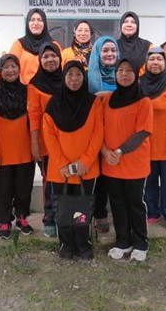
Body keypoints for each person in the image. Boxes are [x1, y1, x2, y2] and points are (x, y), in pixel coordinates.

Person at [43, 60, 103, 259]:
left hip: (87, 169)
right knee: (63, 210)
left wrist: (85, 161)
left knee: (83, 209)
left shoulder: (93, 102)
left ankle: (84, 244)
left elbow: (98, 133)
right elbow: (49, 136)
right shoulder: (53, 103)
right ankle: (66, 245)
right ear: (64, 77)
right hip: (60, 170)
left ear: (84, 77)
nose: (74, 79)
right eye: (70, 75)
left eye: (78, 75)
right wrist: (62, 163)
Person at [101, 58, 153, 262]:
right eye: (120, 70)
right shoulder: (107, 99)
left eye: (129, 70)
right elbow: (99, 129)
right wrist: (106, 152)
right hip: (110, 163)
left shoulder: (143, 100)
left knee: (135, 204)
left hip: (134, 163)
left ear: (136, 74)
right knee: (117, 204)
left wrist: (119, 151)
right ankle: (123, 241)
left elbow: (143, 131)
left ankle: (141, 243)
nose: (124, 74)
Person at [0, 54, 35, 240]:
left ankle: (22, 218)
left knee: (24, 188)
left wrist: (35, 147)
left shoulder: (28, 92)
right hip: (2, 154)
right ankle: (4, 221)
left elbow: (34, 121)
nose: (10, 70)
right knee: (3, 190)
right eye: (5, 67)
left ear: (19, 68)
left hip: (25, 152)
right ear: (0, 70)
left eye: (13, 66)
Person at [139, 47, 166, 234]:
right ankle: (152, 212)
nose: (155, 62)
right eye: (152, 59)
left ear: (165, 62)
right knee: (148, 182)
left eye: (159, 59)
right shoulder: (140, 82)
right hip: (145, 143)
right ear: (146, 63)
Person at [28, 42, 63, 238]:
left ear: (60, 58)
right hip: (46, 142)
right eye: (46, 56)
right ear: (40, 60)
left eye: (54, 55)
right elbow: (34, 115)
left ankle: (66, 217)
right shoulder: (35, 85)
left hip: (69, 141)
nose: (50, 59)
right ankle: (49, 218)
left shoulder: (69, 78)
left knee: (67, 179)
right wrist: (34, 143)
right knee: (50, 181)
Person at [87, 35, 119, 233]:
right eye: (105, 50)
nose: (109, 54)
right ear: (98, 53)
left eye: (113, 50)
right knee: (98, 178)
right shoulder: (88, 76)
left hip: (119, 134)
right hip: (95, 134)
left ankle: (116, 212)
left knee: (115, 177)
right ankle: (98, 213)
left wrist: (105, 96)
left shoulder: (124, 73)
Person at [10, 8, 61, 84]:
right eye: (32, 20)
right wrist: (22, 86)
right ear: (28, 23)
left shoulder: (54, 45)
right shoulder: (18, 44)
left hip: (48, 88)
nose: (36, 23)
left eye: (39, 20)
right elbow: (11, 67)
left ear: (44, 23)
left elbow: (60, 69)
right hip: (23, 88)